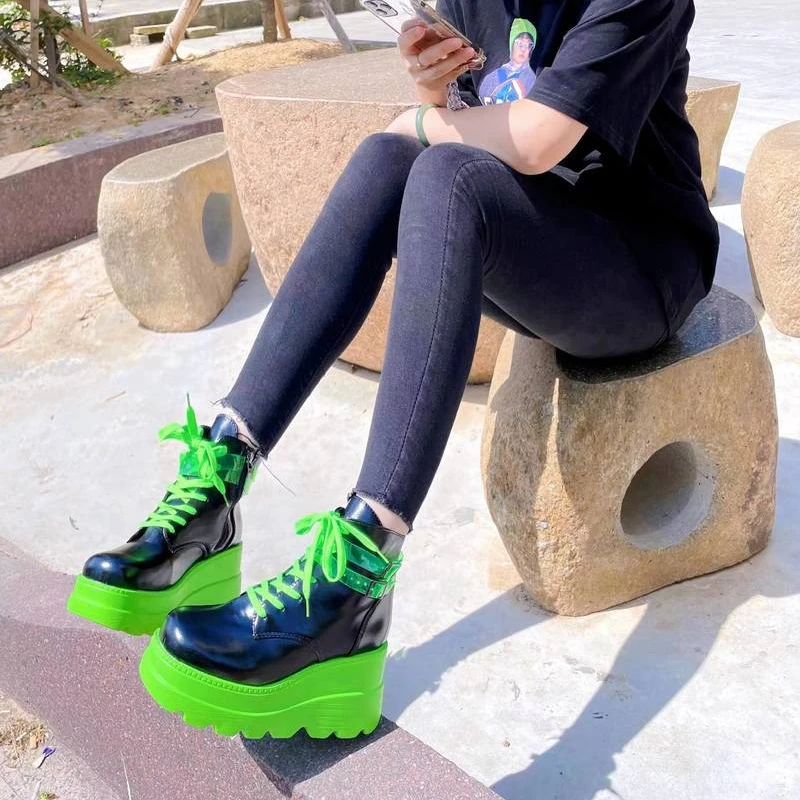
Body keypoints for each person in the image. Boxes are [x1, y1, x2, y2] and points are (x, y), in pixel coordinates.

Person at [67, 0, 718, 740]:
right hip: (543, 243)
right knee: (390, 159)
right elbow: (481, 124)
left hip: (642, 268)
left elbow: (539, 139)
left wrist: (417, 120)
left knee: (439, 169)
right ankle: (219, 481)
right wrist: (433, 88)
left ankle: (356, 578)